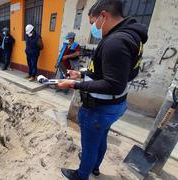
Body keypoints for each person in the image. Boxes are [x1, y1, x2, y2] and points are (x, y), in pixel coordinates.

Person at [58, 0, 148, 179]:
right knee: (100, 139)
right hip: (115, 105)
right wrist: (82, 74)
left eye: (93, 23)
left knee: (90, 145)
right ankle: (95, 167)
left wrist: (74, 84)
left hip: (99, 108)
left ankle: (81, 175)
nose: (93, 28)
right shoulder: (131, 37)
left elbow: (113, 84)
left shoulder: (116, 42)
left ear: (103, 16)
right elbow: (114, 73)